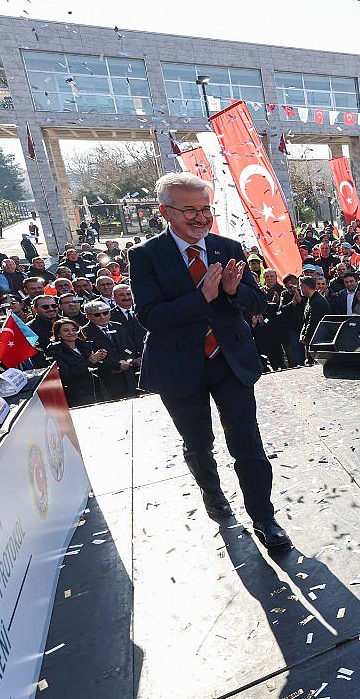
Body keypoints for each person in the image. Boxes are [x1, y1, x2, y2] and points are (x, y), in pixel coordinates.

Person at [128, 172, 290, 552]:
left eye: (206, 209)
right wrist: (202, 298)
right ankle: (212, 493)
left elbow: (257, 302)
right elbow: (149, 316)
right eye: (190, 211)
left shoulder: (227, 247)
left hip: (229, 362)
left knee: (248, 442)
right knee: (199, 443)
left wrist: (233, 293)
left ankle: (264, 518)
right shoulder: (145, 256)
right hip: (179, 367)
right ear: (165, 212)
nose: (201, 218)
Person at [79, 299, 140, 400]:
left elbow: (129, 348)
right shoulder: (84, 332)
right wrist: (117, 364)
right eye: (97, 315)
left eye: (105, 313)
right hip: (107, 377)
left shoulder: (118, 326)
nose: (102, 317)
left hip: (128, 374)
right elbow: (91, 355)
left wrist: (128, 360)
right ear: (88, 316)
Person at [45, 318, 102, 407]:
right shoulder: (55, 352)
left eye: (74, 330)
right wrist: (90, 361)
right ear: (58, 334)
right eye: (66, 331)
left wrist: (100, 357)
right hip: (77, 395)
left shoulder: (85, 346)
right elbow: (67, 374)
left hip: (97, 390)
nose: (71, 333)